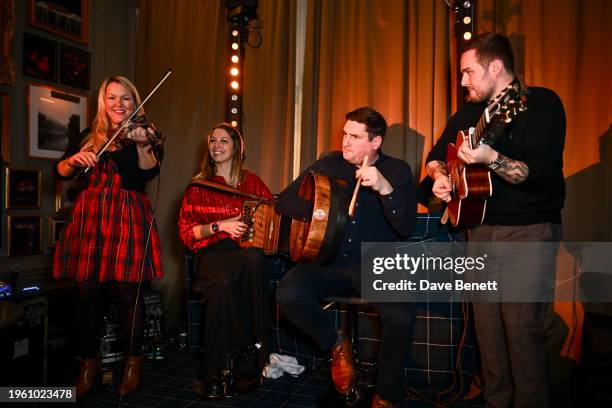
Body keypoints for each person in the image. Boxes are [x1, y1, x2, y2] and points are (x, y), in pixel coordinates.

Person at [426, 32, 565, 407]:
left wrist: (491, 158)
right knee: (487, 334)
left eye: (468, 72)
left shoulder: (541, 104)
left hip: (528, 229)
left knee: (523, 333)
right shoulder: (468, 112)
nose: (462, 81)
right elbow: (436, 158)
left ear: (496, 67)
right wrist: (441, 177)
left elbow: (540, 174)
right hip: (481, 231)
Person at [275, 107, 417, 408]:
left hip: (374, 265)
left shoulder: (397, 170)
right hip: (329, 263)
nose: (346, 141)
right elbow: (285, 201)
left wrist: (384, 189)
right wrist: (318, 212)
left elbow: (406, 228)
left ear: (375, 142)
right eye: (345, 134)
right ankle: (336, 343)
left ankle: (385, 396)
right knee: (287, 292)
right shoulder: (328, 165)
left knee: (401, 316)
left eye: (355, 136)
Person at [53, 76, 164, 397]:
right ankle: (89, 363)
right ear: (104, 102)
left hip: (128, 214)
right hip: (91, 217)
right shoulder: (91, 135)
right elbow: (59, 171)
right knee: (86, 292)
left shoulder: (145, 133)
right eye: (112, 97)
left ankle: (133, 363)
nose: (119, 103)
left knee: (130, 295)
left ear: (135, 101)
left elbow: (146, 173)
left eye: (126, 98)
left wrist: (143, 142)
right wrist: (74, 160)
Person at [178, 123, 272, 398]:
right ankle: (229, 366)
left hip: (242, 253)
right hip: (209, 253)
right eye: (213, 141)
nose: (216, 145)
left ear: (236, 149)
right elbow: (187, 234)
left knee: (253, 259)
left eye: (224, 141)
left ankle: (245, 358)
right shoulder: (198, 186)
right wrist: (221, 226)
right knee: (224, 282)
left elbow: (271, 213)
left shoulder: (252, 182)